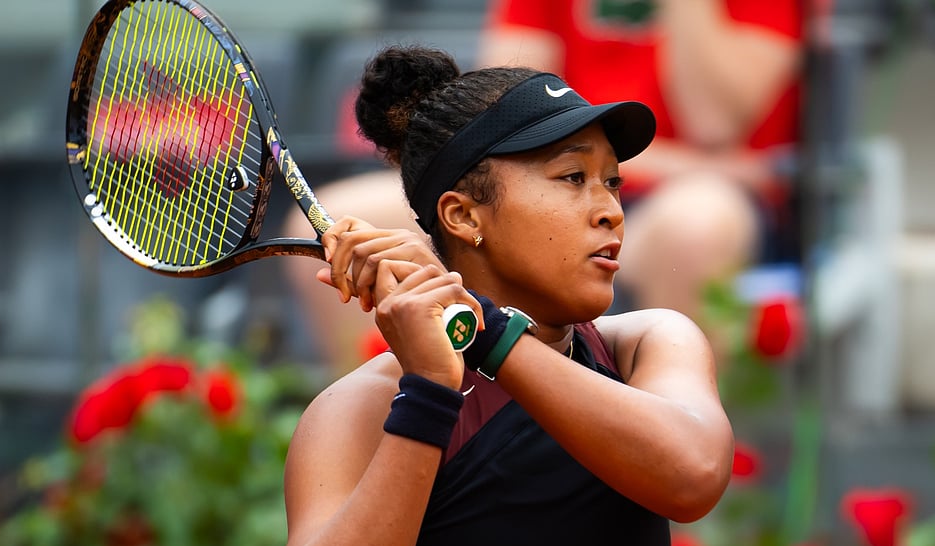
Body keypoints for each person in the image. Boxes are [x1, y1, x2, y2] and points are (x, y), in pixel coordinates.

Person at [265, 45, 734, 546]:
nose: (612, 209)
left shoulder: (645, 344)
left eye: (613, 182)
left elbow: (692, 474)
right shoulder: (361, 409)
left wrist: (482, 331)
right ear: (463, 216)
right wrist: (430, 391)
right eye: (574, 178)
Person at [283, 0, 804, 370]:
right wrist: (679, 164)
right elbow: (503, 120)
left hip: (695, 208)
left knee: (696, 225)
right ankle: (403, 424)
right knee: (349, 221)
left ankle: (671, 474)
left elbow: (713, 121)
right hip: (570, 178)